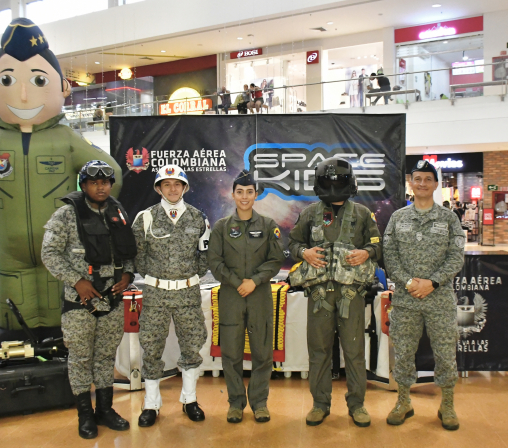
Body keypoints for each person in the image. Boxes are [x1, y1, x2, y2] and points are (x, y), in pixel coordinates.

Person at [0, 18, 123, 354]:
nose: (24, 93)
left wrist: (88, 211)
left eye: (39, 80)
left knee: (59, 292)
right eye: (9, 80)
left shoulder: (66, 138)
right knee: (13, 295)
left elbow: (110, 173)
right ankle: (11, 335)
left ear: (63, 87)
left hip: (58, 247)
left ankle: (61, 339)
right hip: (8, 250)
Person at [41, 160, 136, 439]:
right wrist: (77, 281)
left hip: (113, 299)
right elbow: (50, 254)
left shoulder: (118, 212)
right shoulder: (65, 215)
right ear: (83, 185)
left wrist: (128, 275)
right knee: (81, 358)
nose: (101, 187)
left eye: (105, 182)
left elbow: (129, 250)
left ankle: (105, 410)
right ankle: (85, 415)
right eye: (94, 182)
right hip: (80, 301)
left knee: (106, 356)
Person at [288, 158, 382, 428]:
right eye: (328, 180)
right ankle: (320, 404)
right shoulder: (309, 214)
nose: (333, 185)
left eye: (337, 180)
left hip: (351, 294)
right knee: (318, 351)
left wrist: (367, 252)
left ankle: (357, 404)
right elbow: (293, 243)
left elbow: (377, 245)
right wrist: (303, 252)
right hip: (319, 295)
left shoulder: (363, 214)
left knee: (354, 351)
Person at [382, 159, 465, 429]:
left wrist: (433, 282)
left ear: (435, 184)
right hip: (406, 299)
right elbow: (389, 255)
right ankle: (403, 401)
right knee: (404, 351)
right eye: (417, 179)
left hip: (439, 299)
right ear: (411, 182)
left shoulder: (448, 218)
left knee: (445, 353)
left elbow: (456, 257)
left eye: (427, 179)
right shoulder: (398, 218)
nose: (422, 184)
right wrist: (408, 282)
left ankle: (447, 404)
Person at [131, 164, 211, 427]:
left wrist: (187, 277)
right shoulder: (146, 218)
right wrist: (157, 277)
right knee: (152, 347)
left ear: (185, 187)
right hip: (156, 295)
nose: (173, 188)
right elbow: (138, 256)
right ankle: (151, 404)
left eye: (177, 184)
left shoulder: (198, 218)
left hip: (187, 295)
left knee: (192, 346)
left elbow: (204, 256)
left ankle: (189, 400)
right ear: (158, 188)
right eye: (166, 184)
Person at [207, 170, 284, 424]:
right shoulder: (221, 228)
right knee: (231, 353)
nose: (244, 197)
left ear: (255, 194)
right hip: (231, 296)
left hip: (259, 295)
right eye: (239, 192)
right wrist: (237, 282)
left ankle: (260, 403)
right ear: (232, 195)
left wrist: (255, 281)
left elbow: (275, 260)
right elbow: (214, 262)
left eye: (249, 192)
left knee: (263, 352)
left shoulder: (268, 226)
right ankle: (236, 404)